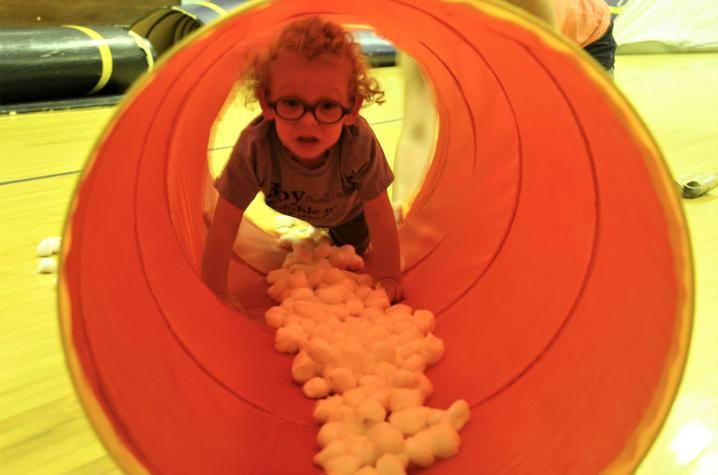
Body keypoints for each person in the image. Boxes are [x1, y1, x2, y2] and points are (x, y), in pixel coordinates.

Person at [202, 16, 404, 312]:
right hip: (298, 205)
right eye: (292, 103)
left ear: (351, 109)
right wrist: (215, 291)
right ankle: (313, 234)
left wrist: (388, 274)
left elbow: (378, 214)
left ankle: (331, 235)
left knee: (352, 251)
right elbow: (224, 223)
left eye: (327, 106)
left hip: (350, 216)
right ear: (267, 102)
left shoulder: (357, 144)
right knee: (316, 250)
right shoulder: (256, 147)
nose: (308, 122)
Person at [392, 0, 616, 208]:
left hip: (586, 36)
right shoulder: (420, 28)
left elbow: (547, 102)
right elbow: (417, 133)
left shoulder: (526, 6)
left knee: (586, 150)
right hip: (503, 46)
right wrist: (403, 201)